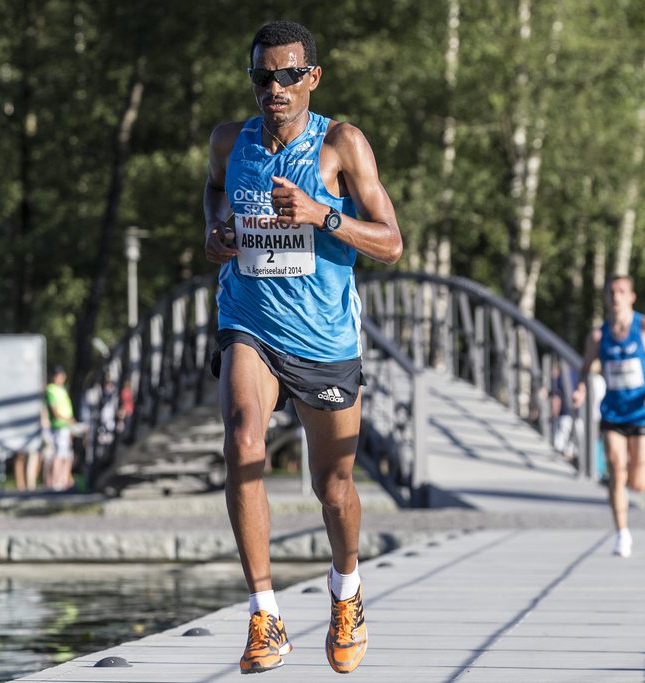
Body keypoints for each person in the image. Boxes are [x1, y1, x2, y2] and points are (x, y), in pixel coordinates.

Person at [202, 21, 402, 675]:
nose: (276, 88)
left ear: (312, 77)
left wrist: (321, 214)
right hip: (248, 319)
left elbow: (392, 242)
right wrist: (216, 227)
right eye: (264, 76)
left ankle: (346, 592)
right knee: (242, 441)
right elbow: (214, 192)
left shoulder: (341, 144)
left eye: (290, 75)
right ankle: (265, 615)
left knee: (334, 485)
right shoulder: (229, 142)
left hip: (323, 337)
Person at [573, 275, 645, 558]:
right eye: (611, 293)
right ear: (606, 298)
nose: (616, 297)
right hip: (613, 413)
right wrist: (581, 387)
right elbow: (585, 367)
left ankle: (627, 489)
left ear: (632, 297)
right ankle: (622, 534)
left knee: (638, 483)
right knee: (616, 471)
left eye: (621, 292)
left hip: (642, 412)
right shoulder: (598, 335)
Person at [44, 365, 76, 491]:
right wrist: (67, 420)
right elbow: (55, 410)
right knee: (59, 454)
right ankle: (55, 482)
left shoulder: (62, 390)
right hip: (59, 425)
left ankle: (64, 482)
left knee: (67, 455)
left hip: (66, 425)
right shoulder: (51, 390)